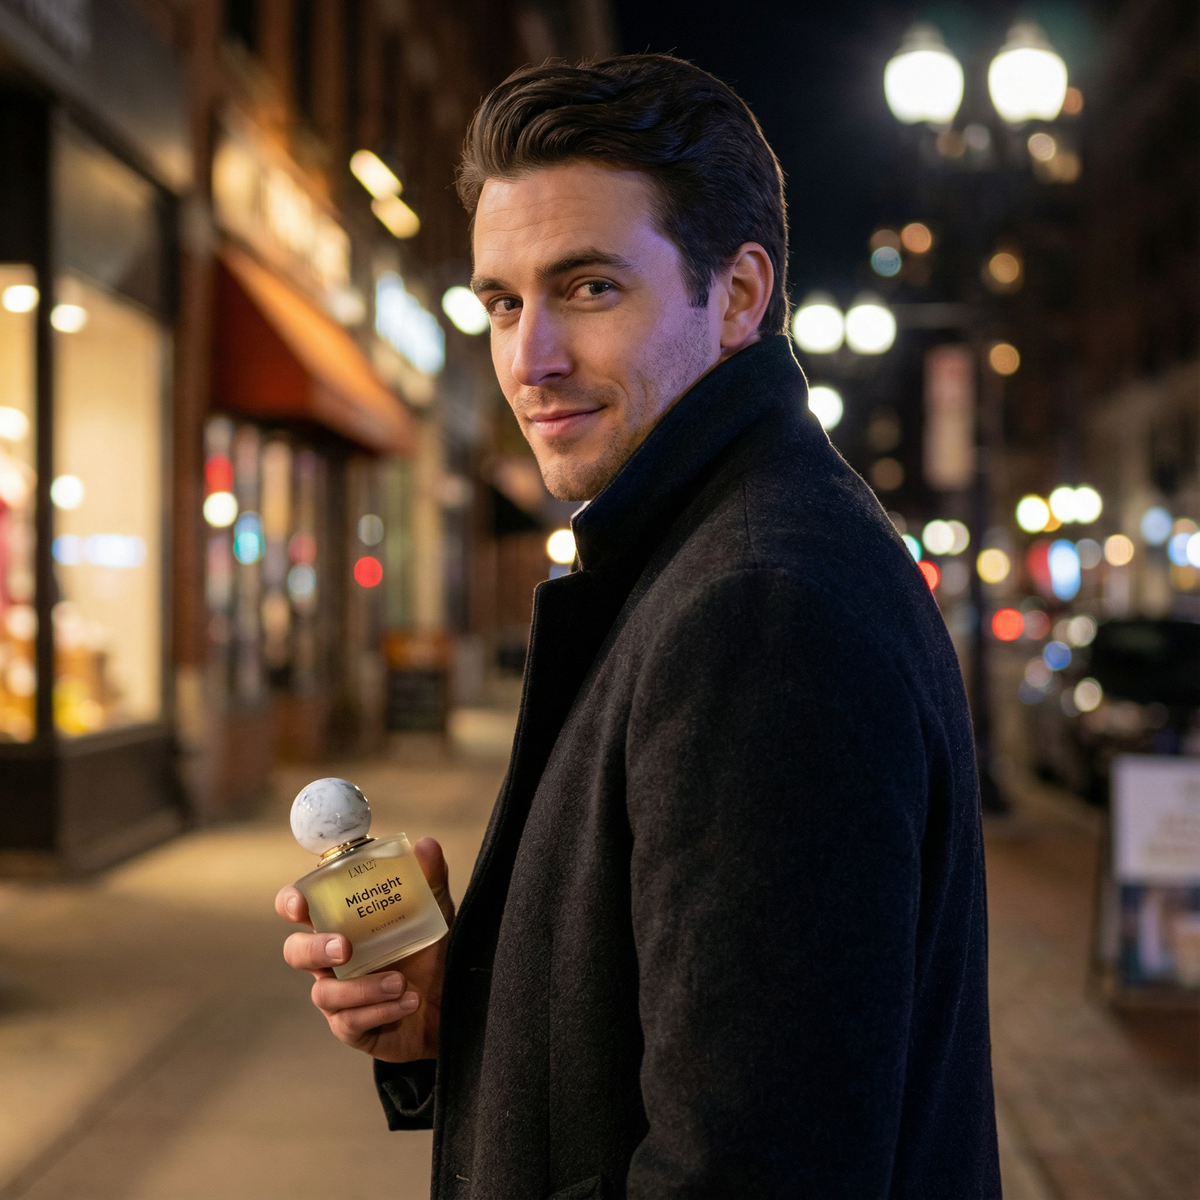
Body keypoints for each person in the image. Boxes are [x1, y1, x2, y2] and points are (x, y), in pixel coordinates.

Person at [276, 54, 1001, 1199]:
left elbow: (753, 1174)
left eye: (590, 288)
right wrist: (460, 1019)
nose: (530, 360)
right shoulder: (699, 554)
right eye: (504, 302)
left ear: (741, 294)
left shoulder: (761, 608)